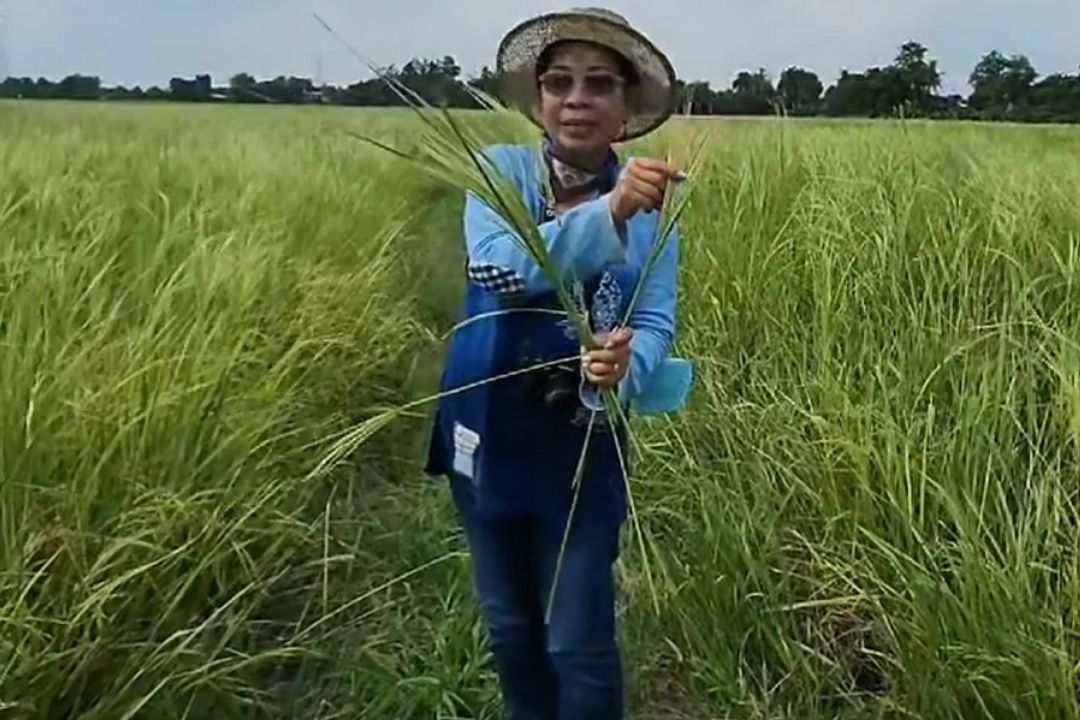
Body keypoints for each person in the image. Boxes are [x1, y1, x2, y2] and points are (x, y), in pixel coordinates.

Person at [424, 7, 689, 719]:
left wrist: (622, 366)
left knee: (577, 640)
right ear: (538, 98)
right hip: (484, 429)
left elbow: (657, 315)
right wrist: (610, 214)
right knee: (510, 627)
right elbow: (498, 269)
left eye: (599, 84)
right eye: (560, 82)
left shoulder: (654, 200)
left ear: (627, 105)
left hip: (584, 443)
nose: (577, 100)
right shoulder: (499, 172)